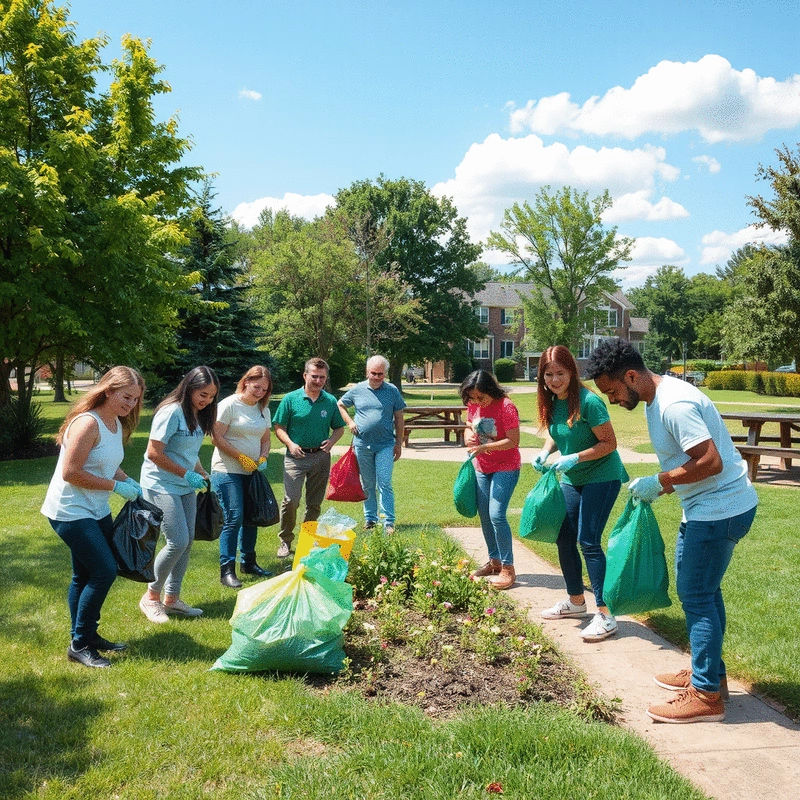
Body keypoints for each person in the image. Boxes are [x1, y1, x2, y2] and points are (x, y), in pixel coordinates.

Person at [586, 338, 758, 723]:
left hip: (719, 510)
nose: (612, 400)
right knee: (703, 593)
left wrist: (661, 481)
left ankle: (706, 695)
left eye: (613, 391)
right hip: (709, 507)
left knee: (696, 595)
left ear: (631, 375)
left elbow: (710, 461)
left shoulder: (674, 404)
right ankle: (708, 673)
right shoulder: (657, 398)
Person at [41, 366, 145, 668]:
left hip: (96, 508)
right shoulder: (88, 423)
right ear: (109, 390)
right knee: (104, 571)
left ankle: (86, 635)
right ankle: (80, 644)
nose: (130, 405)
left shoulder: (114, 423)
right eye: (126, 397)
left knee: (83, 575)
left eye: (135, 399)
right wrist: (117, 487)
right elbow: (71, 472)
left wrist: (129, 480)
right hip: (70, 510)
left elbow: (106, 463)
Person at [533, 345, 628, 642]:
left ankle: (605, 614)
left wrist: (575, 458)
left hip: (602, 476)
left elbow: (609, 444)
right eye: (549, 374)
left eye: (560, 373)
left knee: (588, 540)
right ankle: (576, 602)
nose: (555, 380)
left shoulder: (590, 402)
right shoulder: (552, 402)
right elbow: (557, 433)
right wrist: (546, 451)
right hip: (573, 478)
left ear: (572, 372)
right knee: (564, 536)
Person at [138, 366, 219, 623]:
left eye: (211, 396)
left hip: (184, 485)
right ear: (190, 387)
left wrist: (202, 473)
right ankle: (151, 597)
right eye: (203, 394)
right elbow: (153, 452)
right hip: (160, 484)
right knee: (177, 541)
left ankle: (171, 599)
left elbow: (188, 451)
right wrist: (186, 474)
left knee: (187, 541)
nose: (207, 401)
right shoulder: (171, 411)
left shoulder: (196, 414)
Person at [272, 358, 345, 558]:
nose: (318, 380)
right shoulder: (290, 399)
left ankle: (307, 539)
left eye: (322, 377)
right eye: (314, 376)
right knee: (291, 500)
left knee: (314, 503)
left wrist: (331, 442)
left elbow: (339, 428)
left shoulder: (329, 401)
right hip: (296, 457)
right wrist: (290, 444)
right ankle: (285, 540)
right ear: (305, 375)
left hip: (320, 458)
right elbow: (278, 427)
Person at [210, 366, 274, 588]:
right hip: (226, 470)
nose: (260, 393)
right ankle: (227, 569)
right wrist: (239, 457)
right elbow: (215, 437)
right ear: (246, 382)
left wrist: (263, 457)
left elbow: (266, 438)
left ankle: (249, 562)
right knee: (234, 517)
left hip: (251, 471)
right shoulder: (229, 405)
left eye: (264, 389)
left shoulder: (262, 409)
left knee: (252, 517)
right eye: (257, 387)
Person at [461, 370, 521, 590]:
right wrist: (468, 433)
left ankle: (508, 567)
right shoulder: (473, 404)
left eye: (480, 397)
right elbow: (469, 423)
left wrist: (484, 446)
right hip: (482, 466)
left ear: (491, 390)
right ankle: (494, 561)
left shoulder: (506, 406)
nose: (477, 401)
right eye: (473, 397)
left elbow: (513, 441)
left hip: (506, 466)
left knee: (497, 515)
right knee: (485, 515)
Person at [337, 355, 406, 534]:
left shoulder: (392, 391)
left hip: (385, 444)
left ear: (386, 374)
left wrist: (399, 443)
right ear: (367, 372)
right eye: (373, 373)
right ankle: (370, 518)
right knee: (367, 484)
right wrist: (350, 423)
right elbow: (340, 405)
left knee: (384, 482)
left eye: (380, 374)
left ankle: (389, 521)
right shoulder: (357, 389)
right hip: (362, 445)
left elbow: (399, 418)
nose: (376, 377)